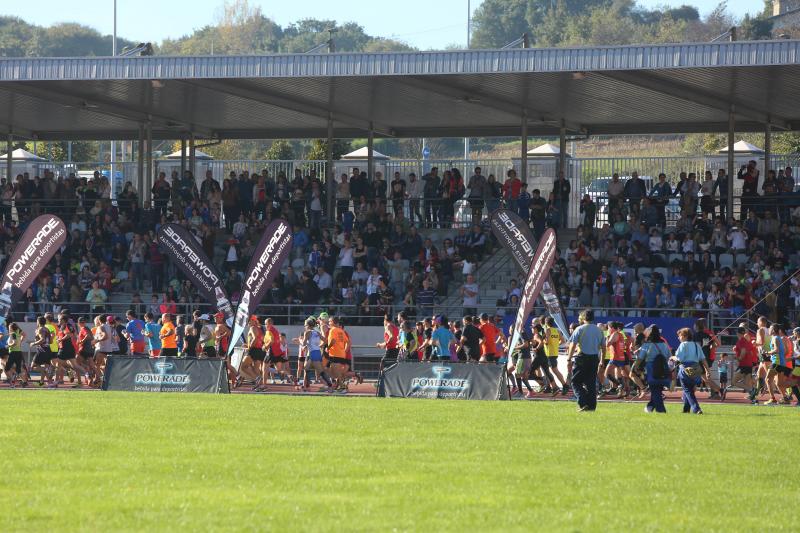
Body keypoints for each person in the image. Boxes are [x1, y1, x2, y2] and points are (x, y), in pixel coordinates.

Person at [566, 309, 605, 411]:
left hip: (582, 357)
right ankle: (591, 406)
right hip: (594, 358)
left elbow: (573, 345)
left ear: (583, 318)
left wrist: (569, 359)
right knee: (590, 383)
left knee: (575, 381)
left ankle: (583, 402)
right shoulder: (599, 330)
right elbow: (603, 347)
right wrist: (602, 361)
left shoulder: (579, 329)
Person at [635, 325, 672, 413]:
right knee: (658, 390)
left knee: (655, 390)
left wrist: (636, 367)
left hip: (651, 369)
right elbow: (669, 357)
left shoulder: (647, 345)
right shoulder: (664, 344)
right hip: (663, 369)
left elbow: (640, 358)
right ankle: (649, 407)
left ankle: (661, 410)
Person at [672, 327, 709, 415]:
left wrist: (672, 357)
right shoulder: (697, 345)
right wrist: (707, 370)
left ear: (684, 336)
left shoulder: (683, 345)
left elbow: (679, 358)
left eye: (680, 336)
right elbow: (703, 359)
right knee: (689, 390)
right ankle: (686, 410)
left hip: (685, 369)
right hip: (696, 369)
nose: (678, 338)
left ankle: (696, 409)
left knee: (687, 390)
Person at [732, 326, 758, 403]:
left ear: (738, 333)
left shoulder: (741, 341)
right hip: (749, 364)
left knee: (734, 382)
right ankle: (753, 399)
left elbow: (743, 351)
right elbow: (750, 352)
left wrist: (738, 358)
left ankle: (752, 390)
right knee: (747, 383)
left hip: (744, 365)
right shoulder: (746, 341)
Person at [543, 317, 568, 394]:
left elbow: (546, 342)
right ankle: (553, 386)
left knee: (555, 370)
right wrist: (556, 344)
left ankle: (564, 385)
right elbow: (563, 341)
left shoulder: (548, 330)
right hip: (554, 352)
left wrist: (542, 340)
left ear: (546, 323)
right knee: (551, 370)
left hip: (549, 353)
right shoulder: (557, 330)